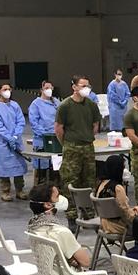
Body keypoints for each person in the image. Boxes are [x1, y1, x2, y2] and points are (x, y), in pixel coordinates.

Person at [56, 75, 101, 220]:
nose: (86, 88)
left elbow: (95, 125)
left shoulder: (91, 105)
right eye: (83, 85)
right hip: (71, 147)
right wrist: (67, 143)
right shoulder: (65, 106)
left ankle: (88, 213)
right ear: (74, 87)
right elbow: (59, 129)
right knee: (70, 181)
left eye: (88, 86)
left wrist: (87, 137)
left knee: (88, 181)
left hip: (88, 146)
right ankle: (71, 215)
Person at [0, 82, 28, 202]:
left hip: (16, 141)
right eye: (4, 89)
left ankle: (20, 190)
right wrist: (8, 137)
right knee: (4, 168)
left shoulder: (15, 105)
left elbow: (21, 121)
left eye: (9, 89)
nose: (7, 91)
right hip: (2, 143)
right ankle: (5, 191)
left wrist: (16, 136)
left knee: (18, 167)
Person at [94, 155, 138, 237]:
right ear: (118, 170)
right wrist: (137, 212)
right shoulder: (117, 188)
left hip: (104, 223)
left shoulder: (101, 184)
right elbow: (126, 214)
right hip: (120, 227)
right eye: (123, 168)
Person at [29, 81, 60, 184]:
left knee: (55, 168)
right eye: (46, 88)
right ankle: (40, 188)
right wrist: (47, 135)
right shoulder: (36, 104)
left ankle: (55, 187)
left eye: (51, 88)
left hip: (57, 139)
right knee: (41, 168)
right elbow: (34, 123)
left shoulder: (56, 102)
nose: (49, 90)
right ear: (41, 89)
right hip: (42, 140)